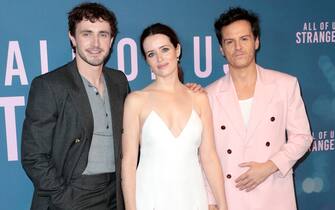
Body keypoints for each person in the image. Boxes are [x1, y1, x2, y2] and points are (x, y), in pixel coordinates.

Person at [21, 3, 128, 210]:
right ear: (73, 37)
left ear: (112, 40)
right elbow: (33, 156)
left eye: (103, 34)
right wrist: (65, 198)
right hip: (73, 193)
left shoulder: (119, 81)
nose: (95, 43)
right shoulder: (50, 85)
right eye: (87, 34)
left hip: (116, 193)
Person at [206, 7, 313, 210]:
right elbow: (206, 155)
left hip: (274, 191)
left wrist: (269, 167)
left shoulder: (285, 84)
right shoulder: (209, 95)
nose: (238, 47)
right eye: (230, 42)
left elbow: (303, 137)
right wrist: (211, 201)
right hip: (230, 197)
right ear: (221, 48)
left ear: (256, 42)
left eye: (244, 39)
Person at [121, 23, 228, 210]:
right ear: (147, 61)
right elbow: (128, 162)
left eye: (164, 49)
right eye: (151, 54)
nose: (160, 58)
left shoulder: (199, 98)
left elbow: (209, 156)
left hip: (193, 197)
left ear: (177, 50)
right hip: (151, 198)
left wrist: (223, 205)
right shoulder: (136, 101)